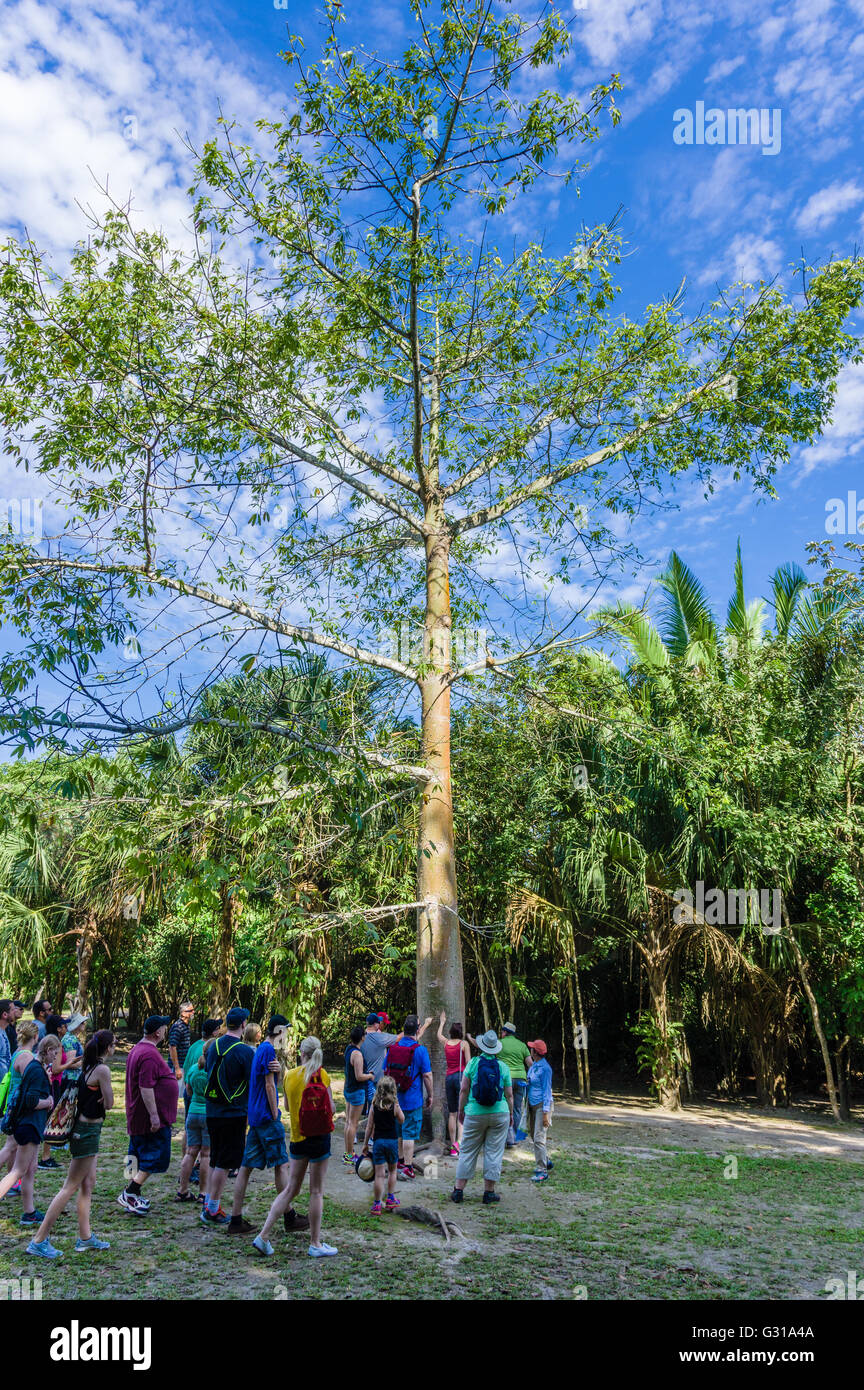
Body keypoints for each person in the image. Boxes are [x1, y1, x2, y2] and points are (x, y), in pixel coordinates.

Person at [26, 1030, 116, 1258]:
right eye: (114, 1044)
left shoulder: (88, 1067)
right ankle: (39, 1240)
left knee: (88, 1184)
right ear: (107, 1048)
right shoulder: (102, 1070)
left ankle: (85, 1238)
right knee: (69, 1187)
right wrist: (105, 1097)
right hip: (86, 1133)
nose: (115, 1047)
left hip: (88, 1131)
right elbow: (110, 1103)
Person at [251, 1036, 337, 1258]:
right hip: (320, 1139)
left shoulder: (289, 1076)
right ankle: (315, 1243)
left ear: (302, 1053)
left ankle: (263, 1235)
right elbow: (333, 1108)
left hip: (298, 1139)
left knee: (291, 1189)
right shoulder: (323, 1075)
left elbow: (288, 1107)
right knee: (316, 1191)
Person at [228, 1014, 309, 1236]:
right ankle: (289, 1216)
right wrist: (275, 1114)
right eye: (286, 1030)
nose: (288, 1035)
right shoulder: (267, 1050)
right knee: (281, 1165)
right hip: (265, 1118)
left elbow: (270, 1078)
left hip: (255, 1117)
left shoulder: (263, 1050)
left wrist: (278, 1072)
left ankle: (235, 1219)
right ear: (279, 1030)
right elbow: (269, 1086)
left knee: (245, 1168)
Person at [118, 1015, 178, 1216]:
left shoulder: (138, 1049)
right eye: (164, 1027)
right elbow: (146, 1086)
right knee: (154, 1155)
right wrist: (154, 1115)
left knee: (136, 1153)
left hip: (137, 1114)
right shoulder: (148, 1054)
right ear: (158, 1032)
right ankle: (130, 1191)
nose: (165, 1031)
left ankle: (132, 1194)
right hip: (149, 1117)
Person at [201, 1006, 254, 1227]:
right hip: (233, 1112)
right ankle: (213, 1208)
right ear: (243, 1025)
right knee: (225, 1162)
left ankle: (208, 1203)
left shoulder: (214, 1046)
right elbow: (253, 1083)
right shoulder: (244, 1051)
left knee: (215, 1158)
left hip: (212, 1109)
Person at [0, 1033, 60, 1225]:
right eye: (55, 1052)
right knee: (18, 1170)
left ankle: (29, 1212)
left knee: (30, 1169)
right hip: (28, 1125)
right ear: (48, 1050)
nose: (56, 1057)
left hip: (31, 1126)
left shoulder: (37, 1067)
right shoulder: (35, 1069)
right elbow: (31, 1101)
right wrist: (48, 1101)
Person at [450, 1029, 513, 1206]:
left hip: (474, 1112)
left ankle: (458, 1191)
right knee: (493, 1152)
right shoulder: (503, 1067)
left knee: (468, 1150)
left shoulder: (473, 1064)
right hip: (500, 1113)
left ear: (482, 1046)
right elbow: (509, 1095)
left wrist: (461, 1110)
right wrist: (510, 1113)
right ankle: (489, 1193)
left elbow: (463, 1090)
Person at [383, 1014, 433, 1180]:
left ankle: (399, 1161)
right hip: (412, 1099)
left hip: (394, 1098)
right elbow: (427, 1075)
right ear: (418, 1030)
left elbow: (385, 1071)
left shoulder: (393, 1048)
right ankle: (408, 1167)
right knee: (409, 1134)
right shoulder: (420, 1050)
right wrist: (430, 1095)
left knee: (398, 1132)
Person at [0, 1020, 39, 1189]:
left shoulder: (18, 1052)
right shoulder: (26, 1056)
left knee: (12, 1147)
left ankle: (13, 1183)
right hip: (19, 1108)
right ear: (35, 1037)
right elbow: (29, 1083)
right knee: (10, 1147)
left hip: (14, 1105)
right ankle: (13, 1182)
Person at [182, 1017, 222, 1183]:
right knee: (206, 1152)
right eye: (218, 1028)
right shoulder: (212, 1061)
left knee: (190, 1141)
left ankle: (184, 1181)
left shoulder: (193, 1047)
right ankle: (203, 1188)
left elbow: (186, 1073)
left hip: (192, 1098)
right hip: (206, 1106)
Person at [177, 1037, 213, 1205]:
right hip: (208, 1114)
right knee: (205, 1154)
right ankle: (203, 1192)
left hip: (192, 1113)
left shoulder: (193, 1069)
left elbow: (188, 1090)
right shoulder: (213, 1070)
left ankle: (182, 1190)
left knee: (191, 1152)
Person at [362, 1074, 403, 1215]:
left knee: (379, 1175)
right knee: (392, 1171)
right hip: (392, 1142)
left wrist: (365, 1144)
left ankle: (377, 1204)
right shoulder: (395, 1106)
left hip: (378, 1143)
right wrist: (397, 1108)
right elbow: (402, 1120)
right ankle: (391, 1198)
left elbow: (368, 1127)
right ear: (393, 1091)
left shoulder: (374, 1106)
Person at [38, 1014, 73, 1171]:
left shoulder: (55, 1042)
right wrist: (71, 1064)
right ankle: (45, 1157)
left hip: (55, 1083)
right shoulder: (56, 1045)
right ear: (58, 1029)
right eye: (64, 1026)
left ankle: (46, 1155)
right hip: (55, 1083)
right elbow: (56, 1068)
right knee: (51, 1118)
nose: (66, 1028)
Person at [436, 1012, 471, 1156]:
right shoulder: (464, 1044)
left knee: (452, 1113)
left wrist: (442, 1022)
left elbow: (439, 1035)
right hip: (461, 1078)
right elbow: (469, 1064)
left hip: (449, 1078)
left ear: (451, 1032)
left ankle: (452, 1146)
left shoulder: (446, 1043)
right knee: (461, 1112)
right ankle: (460, 1143)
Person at [342, 1024, 373, 1164]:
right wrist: (370, 1076)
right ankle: (349, 1155)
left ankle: (348, 1153)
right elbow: (359, 1076)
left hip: (348, 1089)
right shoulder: (357, 1054)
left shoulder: (349, 1049)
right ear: (362, 1037)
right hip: (356, 1091)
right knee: (353, 1123)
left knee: (349, 1122)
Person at [498, 1022, 532, 1146]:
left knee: (505, 1108)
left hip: (505, 1079)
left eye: (502, 1031)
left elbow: (486, 1048)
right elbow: (530, 1064)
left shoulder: (499, 1044)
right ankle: (515, 1137)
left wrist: (470, 1038)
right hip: (521, 1080)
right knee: (517, 1108)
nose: (501, 1034)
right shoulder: (522, 1045)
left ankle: (506, 1137)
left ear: (506, 1032)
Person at [526, 1039, 554, 1182]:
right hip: (532, 1104)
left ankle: (542, 1170)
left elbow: (547, 1091)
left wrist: (545, 1114)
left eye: (531, 1048)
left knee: (539, 1137)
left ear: (535, 1052)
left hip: (542, 1105)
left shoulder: (545, 1069)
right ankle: (545, 1159)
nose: (530, 1050)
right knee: (533, 1135)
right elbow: (531, 1081)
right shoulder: (534, 1065)